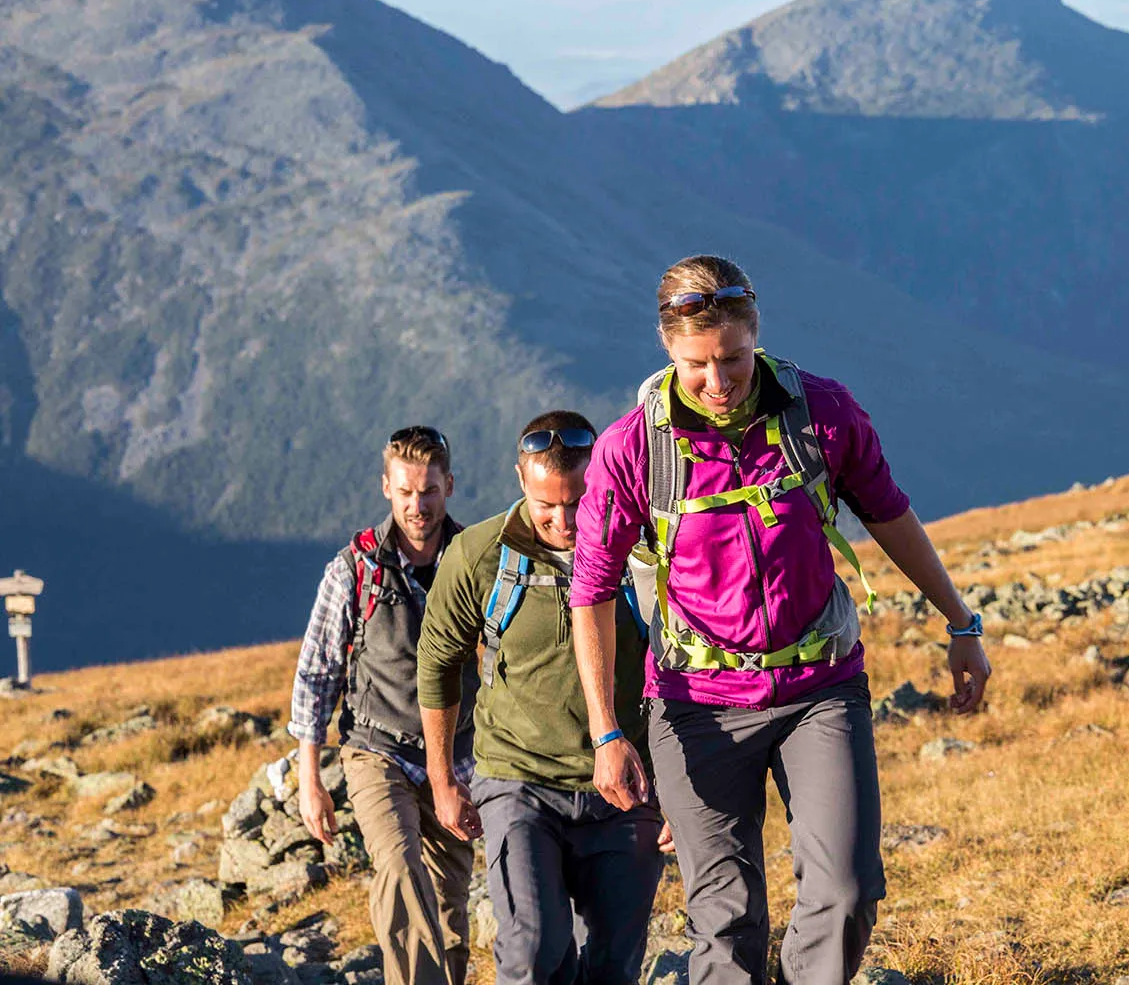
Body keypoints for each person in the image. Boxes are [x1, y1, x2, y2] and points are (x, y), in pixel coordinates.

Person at [570, 255, 992, 985]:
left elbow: (888, 513)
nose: (719, 380)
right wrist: (608, 730)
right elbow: (592, 591)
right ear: (669, 351)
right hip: (695, 706)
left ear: (755, 336)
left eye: (733, 358)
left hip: (820, 689)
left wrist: (961, 624)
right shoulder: (632, 449)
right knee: (725, 921)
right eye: (697, 364)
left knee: (848, 893)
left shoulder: (821, 413)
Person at [416, 410, 667, 985]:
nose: (563, 520)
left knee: (612, 965)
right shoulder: (479, 558)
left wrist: (676, 789)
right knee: (532, 951)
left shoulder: (645, 552)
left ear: (602, 478)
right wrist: (441, 778)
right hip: (517, 781)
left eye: (578, 501)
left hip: (627, 789)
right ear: (520, 481)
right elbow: (438, 665)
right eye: (545, 504)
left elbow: (681, 666)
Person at [288, 426, 477, 985]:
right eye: (405, 492)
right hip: (376, 751)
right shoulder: (353, 570)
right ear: (386, 489)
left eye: (430, 491)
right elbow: (316, 672)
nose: (417, 506)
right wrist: (309, 778)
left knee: (449, 906)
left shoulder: (476, 563)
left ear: (449, 485)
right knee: (398, 868)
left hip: (459, 760)